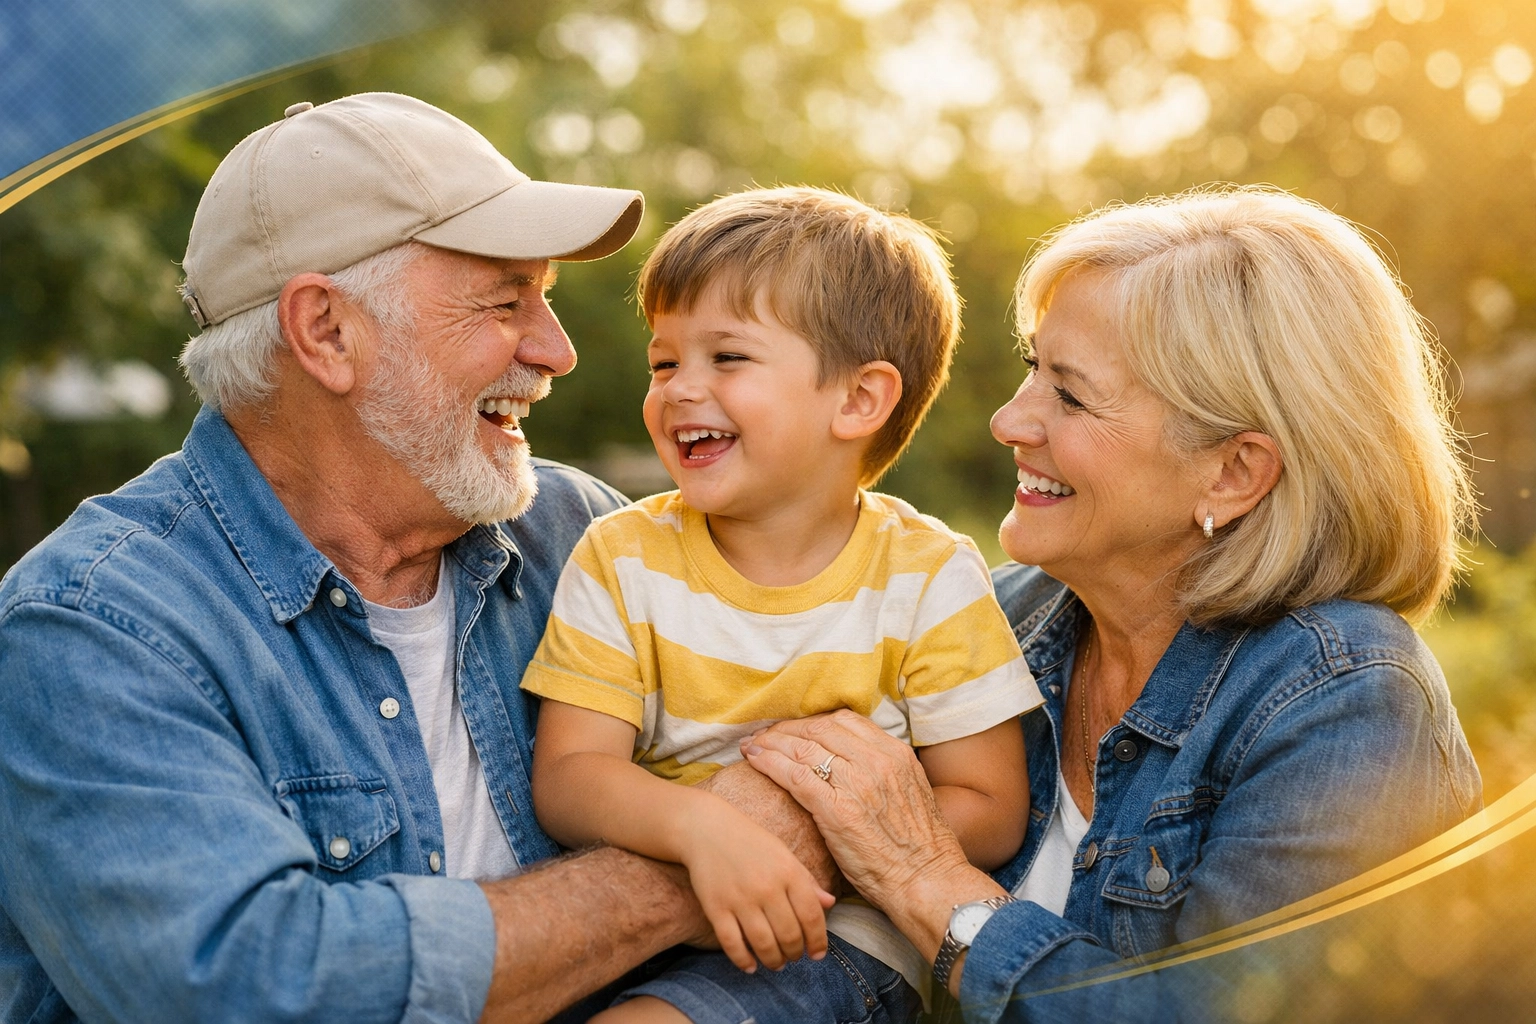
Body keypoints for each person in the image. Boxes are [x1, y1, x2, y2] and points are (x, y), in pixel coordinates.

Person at [0, 93, 840, 1024]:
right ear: (325, 331)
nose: (555, 351)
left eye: (546, 300)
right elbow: (248, 990)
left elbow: (848, 726)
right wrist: (700, 868)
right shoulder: (89, 627)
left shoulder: (586, 537)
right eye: (505, 300)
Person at [741, 186, 1484, 1021]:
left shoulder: (1347, 703)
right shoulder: (996, 618)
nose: (1008, 420)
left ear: (1234, 473)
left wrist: (926, 883)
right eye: (1033, 370)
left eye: (1071, 394)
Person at [520, 187, 1044, 1024]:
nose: (680, 389)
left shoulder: (926, 576)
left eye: (727, 358)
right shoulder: (622, 556)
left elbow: (989, 807)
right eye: (664, 362)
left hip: (826, 945)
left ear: (858, 400)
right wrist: (704, 832)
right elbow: (571, 777)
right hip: (643, 919)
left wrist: (810, 842)